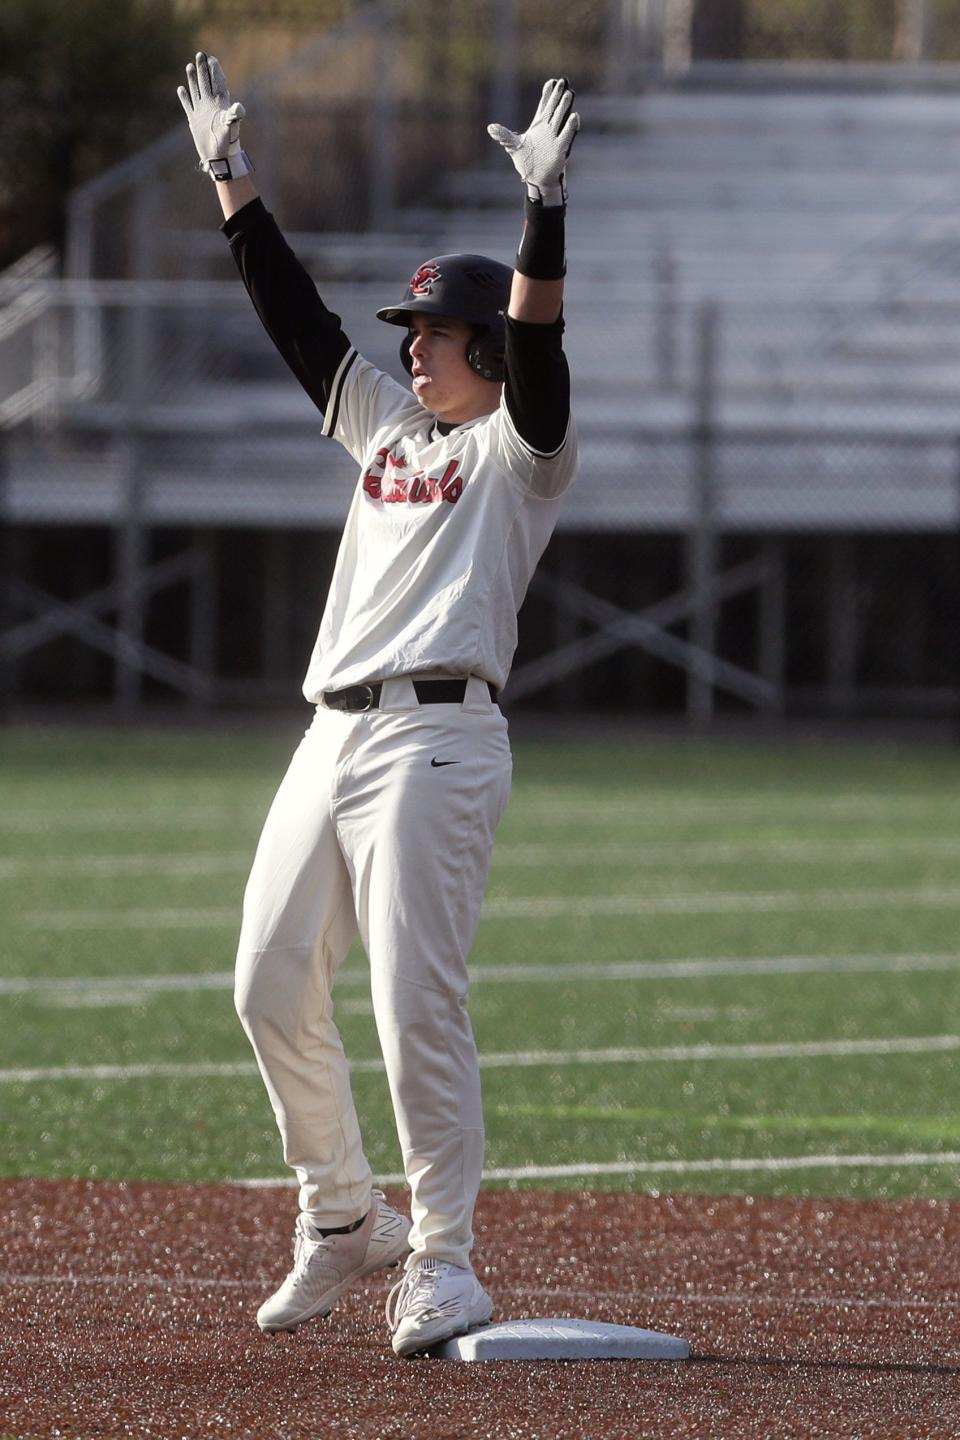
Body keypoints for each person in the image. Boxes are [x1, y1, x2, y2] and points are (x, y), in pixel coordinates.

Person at [178, 52, 579, 1358]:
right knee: (265, 979)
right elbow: (297, 320)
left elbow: (541, 352)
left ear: (480, 350)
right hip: (333, 731)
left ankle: (447, 1262)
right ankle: (345, 1213)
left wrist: (544, 218)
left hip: (440, 736)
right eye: (405, 333)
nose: (409, 348)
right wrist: (231, 182)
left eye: (429, 334)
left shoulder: (517, 453)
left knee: (416, 997)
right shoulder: (387, 434)